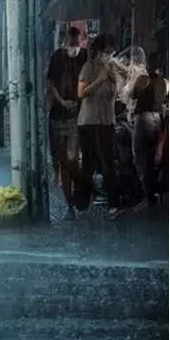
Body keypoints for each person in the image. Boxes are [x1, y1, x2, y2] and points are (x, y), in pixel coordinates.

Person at [77, 33, 120, 216]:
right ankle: (82, 203)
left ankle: (113, 203)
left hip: (107, 121)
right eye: (107, 51)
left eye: (112, 52)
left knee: (109, 163)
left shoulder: (114, 69)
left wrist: (112, 75)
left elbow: (119, 90)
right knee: (88, 163)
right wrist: (100, 79)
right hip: (89, 122)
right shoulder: (89, 67)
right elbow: (81, 93)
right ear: (100, 51)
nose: (109, 55)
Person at [47, 26, 85, 219]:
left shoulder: (85, 56)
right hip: (58, 116)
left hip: (77, 117)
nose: (75, 47)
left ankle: (82, 190)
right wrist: (62, 101)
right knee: (63, 162)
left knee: (72, 159)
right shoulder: (56, 57)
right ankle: (70, 204)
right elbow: (51, 83)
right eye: (72, 43)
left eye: (77, 43)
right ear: (65, 42)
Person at [129, 48, 167, 212]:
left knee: (140, 157)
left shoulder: (144, 78)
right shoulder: (164, 81)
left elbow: (132, 94)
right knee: (153, 158)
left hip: (144, 119)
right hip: (157, 119)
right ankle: (154, 194)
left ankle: (147, 197)